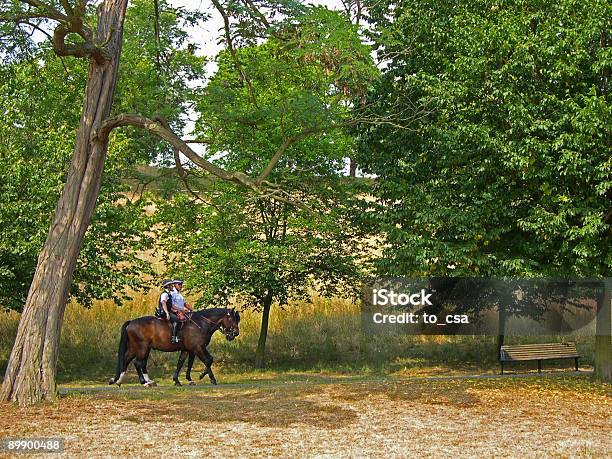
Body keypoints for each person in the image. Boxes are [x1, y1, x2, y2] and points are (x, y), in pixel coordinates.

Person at [155, 279, 180, 343]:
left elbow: (171, 306)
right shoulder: (164, 294)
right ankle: (174, 337)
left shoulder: (168, 294)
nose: (173, 286)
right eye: (171, 285)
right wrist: (167, 313)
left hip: (168, 311)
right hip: (164, 312)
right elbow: (163, 303)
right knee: (176, 320)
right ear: (168, 286)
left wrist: (180, 309)